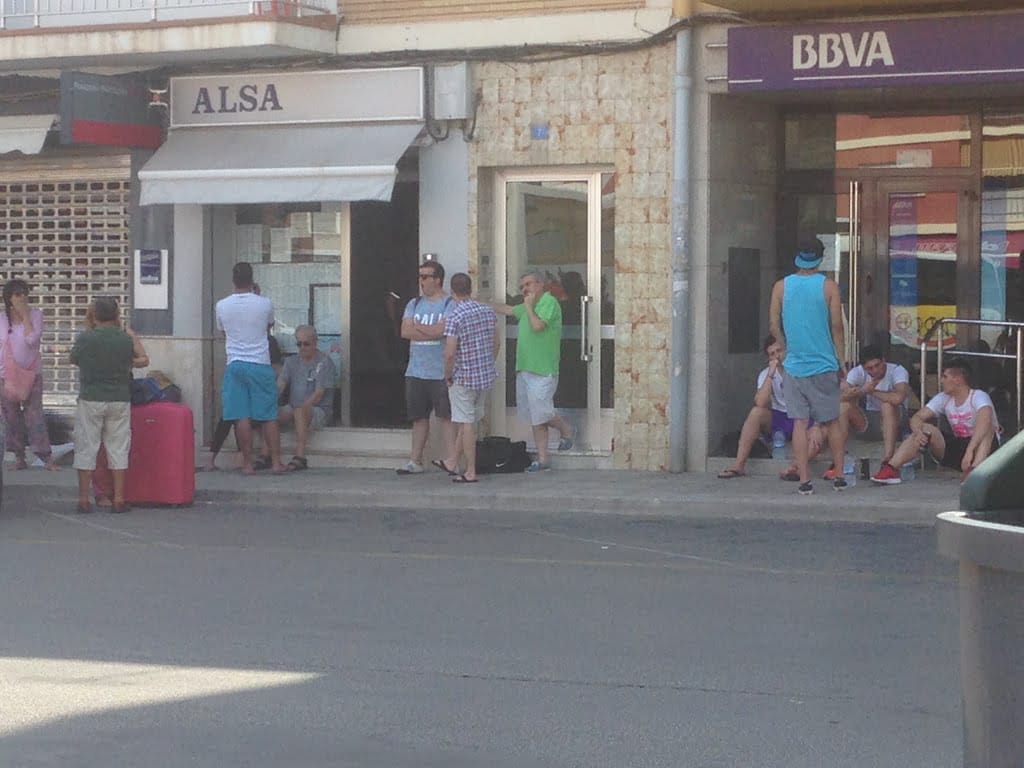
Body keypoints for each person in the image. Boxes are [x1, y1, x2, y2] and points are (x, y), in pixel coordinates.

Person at [769, 237, 848, 495]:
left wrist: (784, 347)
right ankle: (838, 475)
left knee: (799, 423)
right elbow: (837, 327)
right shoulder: (829, 287)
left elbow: (773, 325)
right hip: (824, 363)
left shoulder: (781, 287)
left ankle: (804, 480)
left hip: (794, 366)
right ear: (820, 258)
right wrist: (841, 360)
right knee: (833, 420)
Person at [70, 296, 149, 514]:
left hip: (91, 398)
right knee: (118, 447)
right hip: (119, 399)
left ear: (94, 314)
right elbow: (141, 359)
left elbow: (74, 359)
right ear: (116, 314)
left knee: (87, 447)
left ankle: (84, 499)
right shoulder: (124, 338)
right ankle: (119, 499)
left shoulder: (86, 338)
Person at [494, 269, 574, 472]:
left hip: (543, 368)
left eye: (528, 284)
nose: (524, 289)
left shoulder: (549, 302)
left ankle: (566, 429)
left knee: (542, 412)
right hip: (525, 367)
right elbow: (510, 310)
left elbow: (538, 325)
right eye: (522, 286)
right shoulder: (528, 305)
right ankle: (543, 459)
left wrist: (529, 307)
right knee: (535, 416)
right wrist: (479, 304)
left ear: (540, 285)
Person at [871, 358, 999, 484]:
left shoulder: (978, 396)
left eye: (945, 376)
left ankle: (974, 472)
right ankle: (891, 469)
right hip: (959, 448)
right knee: (924, 428)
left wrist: (970, 451)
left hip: (983, 450)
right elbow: (917, 418)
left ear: (958, 379)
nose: (941, 381)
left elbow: (984, 420)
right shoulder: (943, 398)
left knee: (988, 428)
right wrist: (918, 432)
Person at [717, 334, 824, 480]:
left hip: (802, 416)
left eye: (779, 351)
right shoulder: (766, 374)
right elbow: (760, 402)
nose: (777, 356)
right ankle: (739, 465)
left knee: (823, 430)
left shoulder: (803, 370)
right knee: (756, 413)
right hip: (779, 416)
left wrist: (817, 425)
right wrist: (771, 374)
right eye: (772, 354)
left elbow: (817, 401)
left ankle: (795, 467)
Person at [215, 262, 286, 475]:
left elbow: (223, 333)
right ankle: (275, 462)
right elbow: (268, 327)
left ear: (233, 280)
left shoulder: (222, 305)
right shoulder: (264, 303)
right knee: (269, 416)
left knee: (241, 416)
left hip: (235, 364)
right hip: (260, 364)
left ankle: (247, 463)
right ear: (252, 279)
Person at [437, 273, 500, 484]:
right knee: (470, 420)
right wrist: (488, 363)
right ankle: (452, 461)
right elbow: (496, 342)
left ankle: (470, 471)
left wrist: (447, 375)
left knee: (466, 423)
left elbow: (449, 353)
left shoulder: (455, 316)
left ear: (452, 290)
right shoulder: (486, 311)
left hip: (463, 376)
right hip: (484, 375)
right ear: (471, 288)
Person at [396, 259, 455, 475]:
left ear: (437, 279)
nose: (421, 281)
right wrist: (429, 329)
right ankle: (415, 460)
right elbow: (405, 332)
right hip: (416, 371)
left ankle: (452, 460)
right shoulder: (413, 303)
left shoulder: (449, 304)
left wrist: (418, 326)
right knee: (418, 418)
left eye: (425, 277)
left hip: (440, 372)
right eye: (419, 277)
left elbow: (443, 331)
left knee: (446, 417)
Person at [258, 325, 336, 472]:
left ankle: (300, 456)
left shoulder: (325, 362)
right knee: (270, 411)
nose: (302, 347)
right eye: (298, 344)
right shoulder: (291, 362)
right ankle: (266, 453)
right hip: (294, 407)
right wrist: (269, 402)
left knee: (300, 411)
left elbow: (319, 394)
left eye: (306, 344)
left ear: (315, 342)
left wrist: (299, 411)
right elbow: (281, 385)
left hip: (318, 410)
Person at [0, 279, 56, 471]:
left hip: (32, 374)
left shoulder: (36, 315)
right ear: (8, 299)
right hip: (6, 376)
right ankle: (19, 456)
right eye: (17, 294)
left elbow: (32, 340)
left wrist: (25, 316)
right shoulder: (1, 319)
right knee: (12, 417)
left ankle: (46, 457)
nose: (22, 297)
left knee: (34, 416)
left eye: (24, 293)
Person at [835, 344, 911, 479]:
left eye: (878, 365)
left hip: (896, 420)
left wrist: (872, 392)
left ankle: (888, 459)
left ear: (883, 361)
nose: (875, 370)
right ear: (863, 367)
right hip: (870, 421)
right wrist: (861, 391)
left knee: (887, 405)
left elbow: (898, 398)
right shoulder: (857, 372)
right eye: (870, 368)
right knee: (844, 407)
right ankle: (838, 458)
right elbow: (839, 397)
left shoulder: (897, 371)